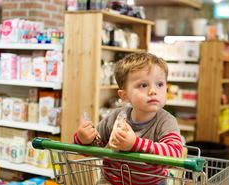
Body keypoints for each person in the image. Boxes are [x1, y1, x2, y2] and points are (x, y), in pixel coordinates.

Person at [74, 52, 184, 185]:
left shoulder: (166, 121)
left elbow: (175, 154)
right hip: (111, 181)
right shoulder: (116, 117)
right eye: (143, 85)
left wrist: (135, 144)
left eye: (159, 84)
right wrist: (84, 139)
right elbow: (97, 146)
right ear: (124, 95)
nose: (153, 91)